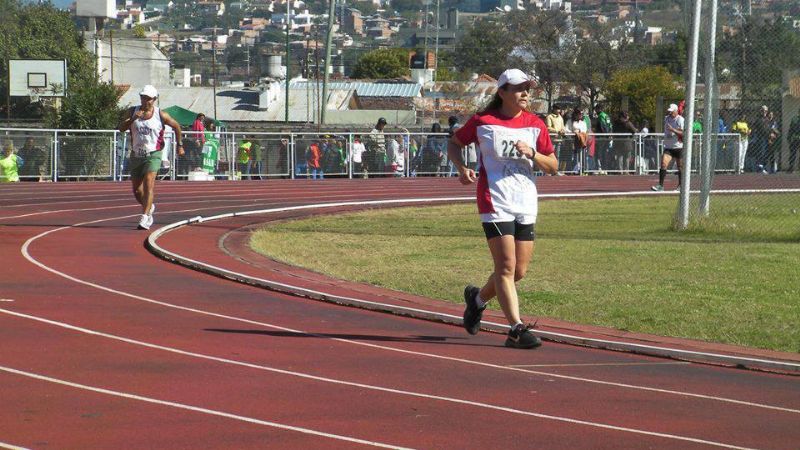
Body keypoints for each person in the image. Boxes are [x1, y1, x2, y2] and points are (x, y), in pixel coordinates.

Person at [448, 68, 558, 349]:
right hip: (494, 199)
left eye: (527, 88)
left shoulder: (536, 124)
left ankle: (477, 300)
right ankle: (516, 329)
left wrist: (533, 154)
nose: (524, 93)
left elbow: (554, 166)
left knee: (518, 271)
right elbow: (455, 143)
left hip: (525, 201)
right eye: (518, 88)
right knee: (505, 267)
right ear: (502, 92)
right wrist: (461, 168)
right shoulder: (484, 121)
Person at [118, 85, 183, 230]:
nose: (144, 101)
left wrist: (180, 145)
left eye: (148, 98)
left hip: (154, 153)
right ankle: (149, 205)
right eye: (142, 97)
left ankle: (145, 216)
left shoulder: (161, 114)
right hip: (136, 153)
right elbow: (121, 128)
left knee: (149, 183)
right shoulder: (132, 111)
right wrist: (132, 119)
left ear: (154, 99)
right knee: (137, 191)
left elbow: (177, 126)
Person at [652, 103, 684, 191]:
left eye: (672, 112)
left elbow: (684, 133)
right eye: (669, 111)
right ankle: (660, 185)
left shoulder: (680, 119)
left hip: (678, 147)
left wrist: (673, 130)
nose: (670, 113)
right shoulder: (666, 118)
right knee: (663, 164)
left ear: (676, 111)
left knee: (680, 167)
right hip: (668, 147)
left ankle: (681, 186)